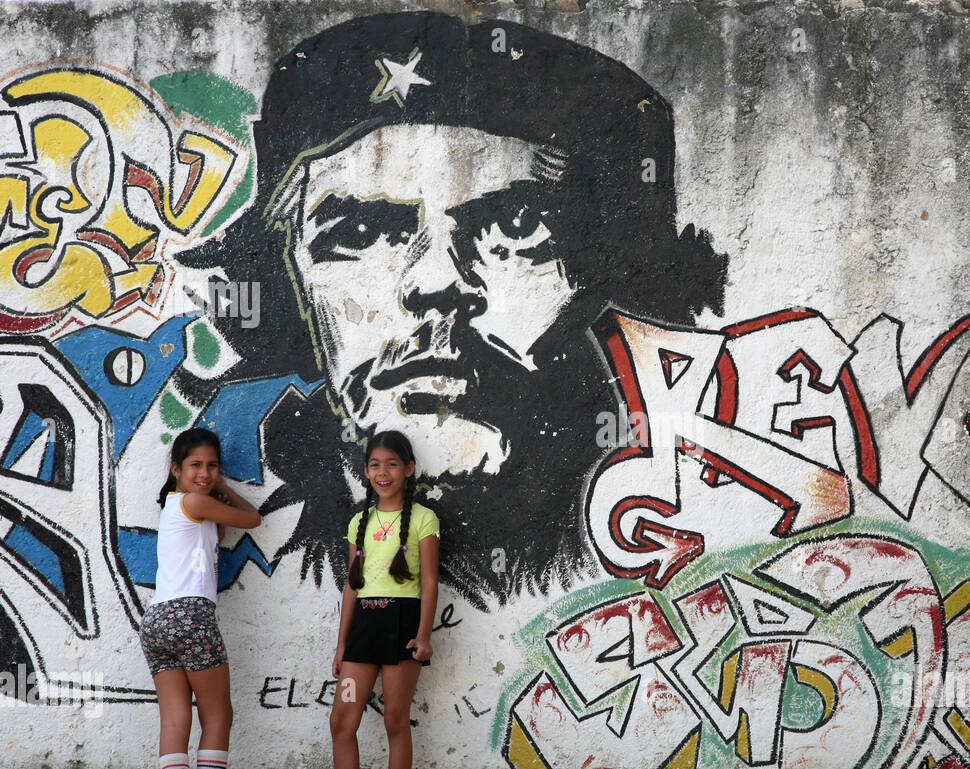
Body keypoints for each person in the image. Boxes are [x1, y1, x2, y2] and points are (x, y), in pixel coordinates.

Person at [180, 10, 727, 607]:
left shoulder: (701, 561)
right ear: (294, 285)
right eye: (360, 232)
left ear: (606, 281)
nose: (437, 283)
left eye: (517, 225)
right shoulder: (277, 573)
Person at [297, 430, 438, 769]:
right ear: (365, 472)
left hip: (403, 625)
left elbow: (429, 582)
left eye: (392, 464)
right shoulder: (359, 522)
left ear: (409, 469)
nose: (383, 472)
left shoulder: (425, 519)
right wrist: (342, 645)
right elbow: (351, 586)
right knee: (342, 719)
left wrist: (424, 635)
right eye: (375, 464)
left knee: (396, 719)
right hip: (363, 627)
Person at [141, 427, 262, 769]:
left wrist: (214, 493)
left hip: (156, 621)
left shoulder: (182, 508)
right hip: (191, 615)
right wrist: (224, 487)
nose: (205, 473)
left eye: (213, 466)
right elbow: (251, 518)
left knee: (176, 720)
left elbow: (222, 533)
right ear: (176, 469)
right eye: (196, 465)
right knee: (217, 716)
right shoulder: (195, 501)